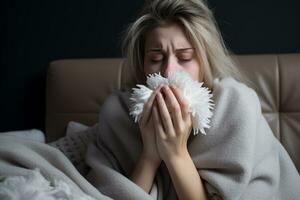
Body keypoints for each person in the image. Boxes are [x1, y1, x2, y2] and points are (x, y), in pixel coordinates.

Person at [85, 0, 300, 199]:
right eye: (155, 58)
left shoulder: (235, 104)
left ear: (204, 61)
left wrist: (175, 153)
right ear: (142, 63)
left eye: (184, 57)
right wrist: (149, 155)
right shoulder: (118, 112)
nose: (169, 72)